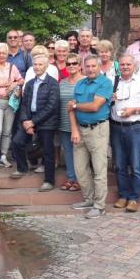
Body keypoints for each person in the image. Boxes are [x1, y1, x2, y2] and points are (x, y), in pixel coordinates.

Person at [110, 54, 140, 212]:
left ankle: (134, 198)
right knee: (120, 164)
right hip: (116, 126)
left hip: (135, 127)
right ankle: (123, 195)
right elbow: (106, 103)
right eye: (122, 64)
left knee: (136, 165)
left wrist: (134, 110)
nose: (125, 67)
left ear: (134, 65)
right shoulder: (113, 81)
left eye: (128, 64)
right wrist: (110, 99)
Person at [68, 55, 112, 219]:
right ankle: (89, 199)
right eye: (88, 66)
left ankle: (100, 206)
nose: (91, 69)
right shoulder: (80, 83)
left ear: (99, 67)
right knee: (80, 169)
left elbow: (95, 106)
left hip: (98, 130)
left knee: (99, 169)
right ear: (83, 68)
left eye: (94, 66)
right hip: (80, 129)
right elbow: (70, 109)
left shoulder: (105, 83)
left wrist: (75, 105)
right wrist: (74, 130)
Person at [10, 55, 60, 191]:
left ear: (46, 66)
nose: (37, 67)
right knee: (16, 141)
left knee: (48, 151)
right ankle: (22, 168)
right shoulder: (31, 83)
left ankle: (49, 181)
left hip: (46, 122)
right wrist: (26, 121)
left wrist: (33, 122)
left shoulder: (53, 84)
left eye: (40, 65)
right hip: (29, 119)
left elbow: (51, 107)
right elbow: (24, 104)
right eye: (35, 65)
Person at [58, 53, 83, 192]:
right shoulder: (62, 83)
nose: (71, 66)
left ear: (80, 66)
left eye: (74, 63)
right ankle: (71, 178)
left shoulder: (85, 81)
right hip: (64, 122)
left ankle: (80, 180)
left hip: (81, 123)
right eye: (69, 64)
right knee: (68, 152)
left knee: (80, 153)